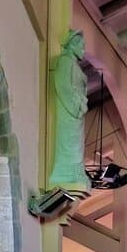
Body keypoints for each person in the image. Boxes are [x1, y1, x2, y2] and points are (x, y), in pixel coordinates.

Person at [49, 30, 90, 192]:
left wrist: (82, 104)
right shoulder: (65, 62)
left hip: (77, 114)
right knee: (69, 144)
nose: (83, 49)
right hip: (70, 111)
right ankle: (67, 173)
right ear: (72, 45)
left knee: (77, 145)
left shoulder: (73, 64)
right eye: (81, 45)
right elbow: (63, 86)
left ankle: (75, 171)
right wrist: (77, 106)